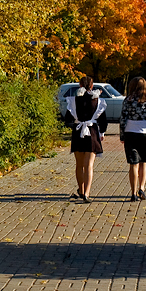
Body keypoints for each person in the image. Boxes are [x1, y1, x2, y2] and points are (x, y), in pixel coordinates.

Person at [64, 75, 107, 203]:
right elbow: (103, 120)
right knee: (89, 165)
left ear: (80, 85)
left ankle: (81, 190)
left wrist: (75, 124)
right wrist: (102, 132)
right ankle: (87, 193)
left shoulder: (73, 100)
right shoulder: (97, 100)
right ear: (92, 86)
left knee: (79, 165)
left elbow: (67, 119)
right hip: (92, 133)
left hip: (78, 133)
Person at [119, 76, 146, 201]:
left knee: (133, 164)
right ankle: (142, 187)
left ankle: (133, 192)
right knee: (144, 162)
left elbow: (123, 118)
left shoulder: (127, 100)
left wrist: (122, 134)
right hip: (144, 132)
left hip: (130, 132)